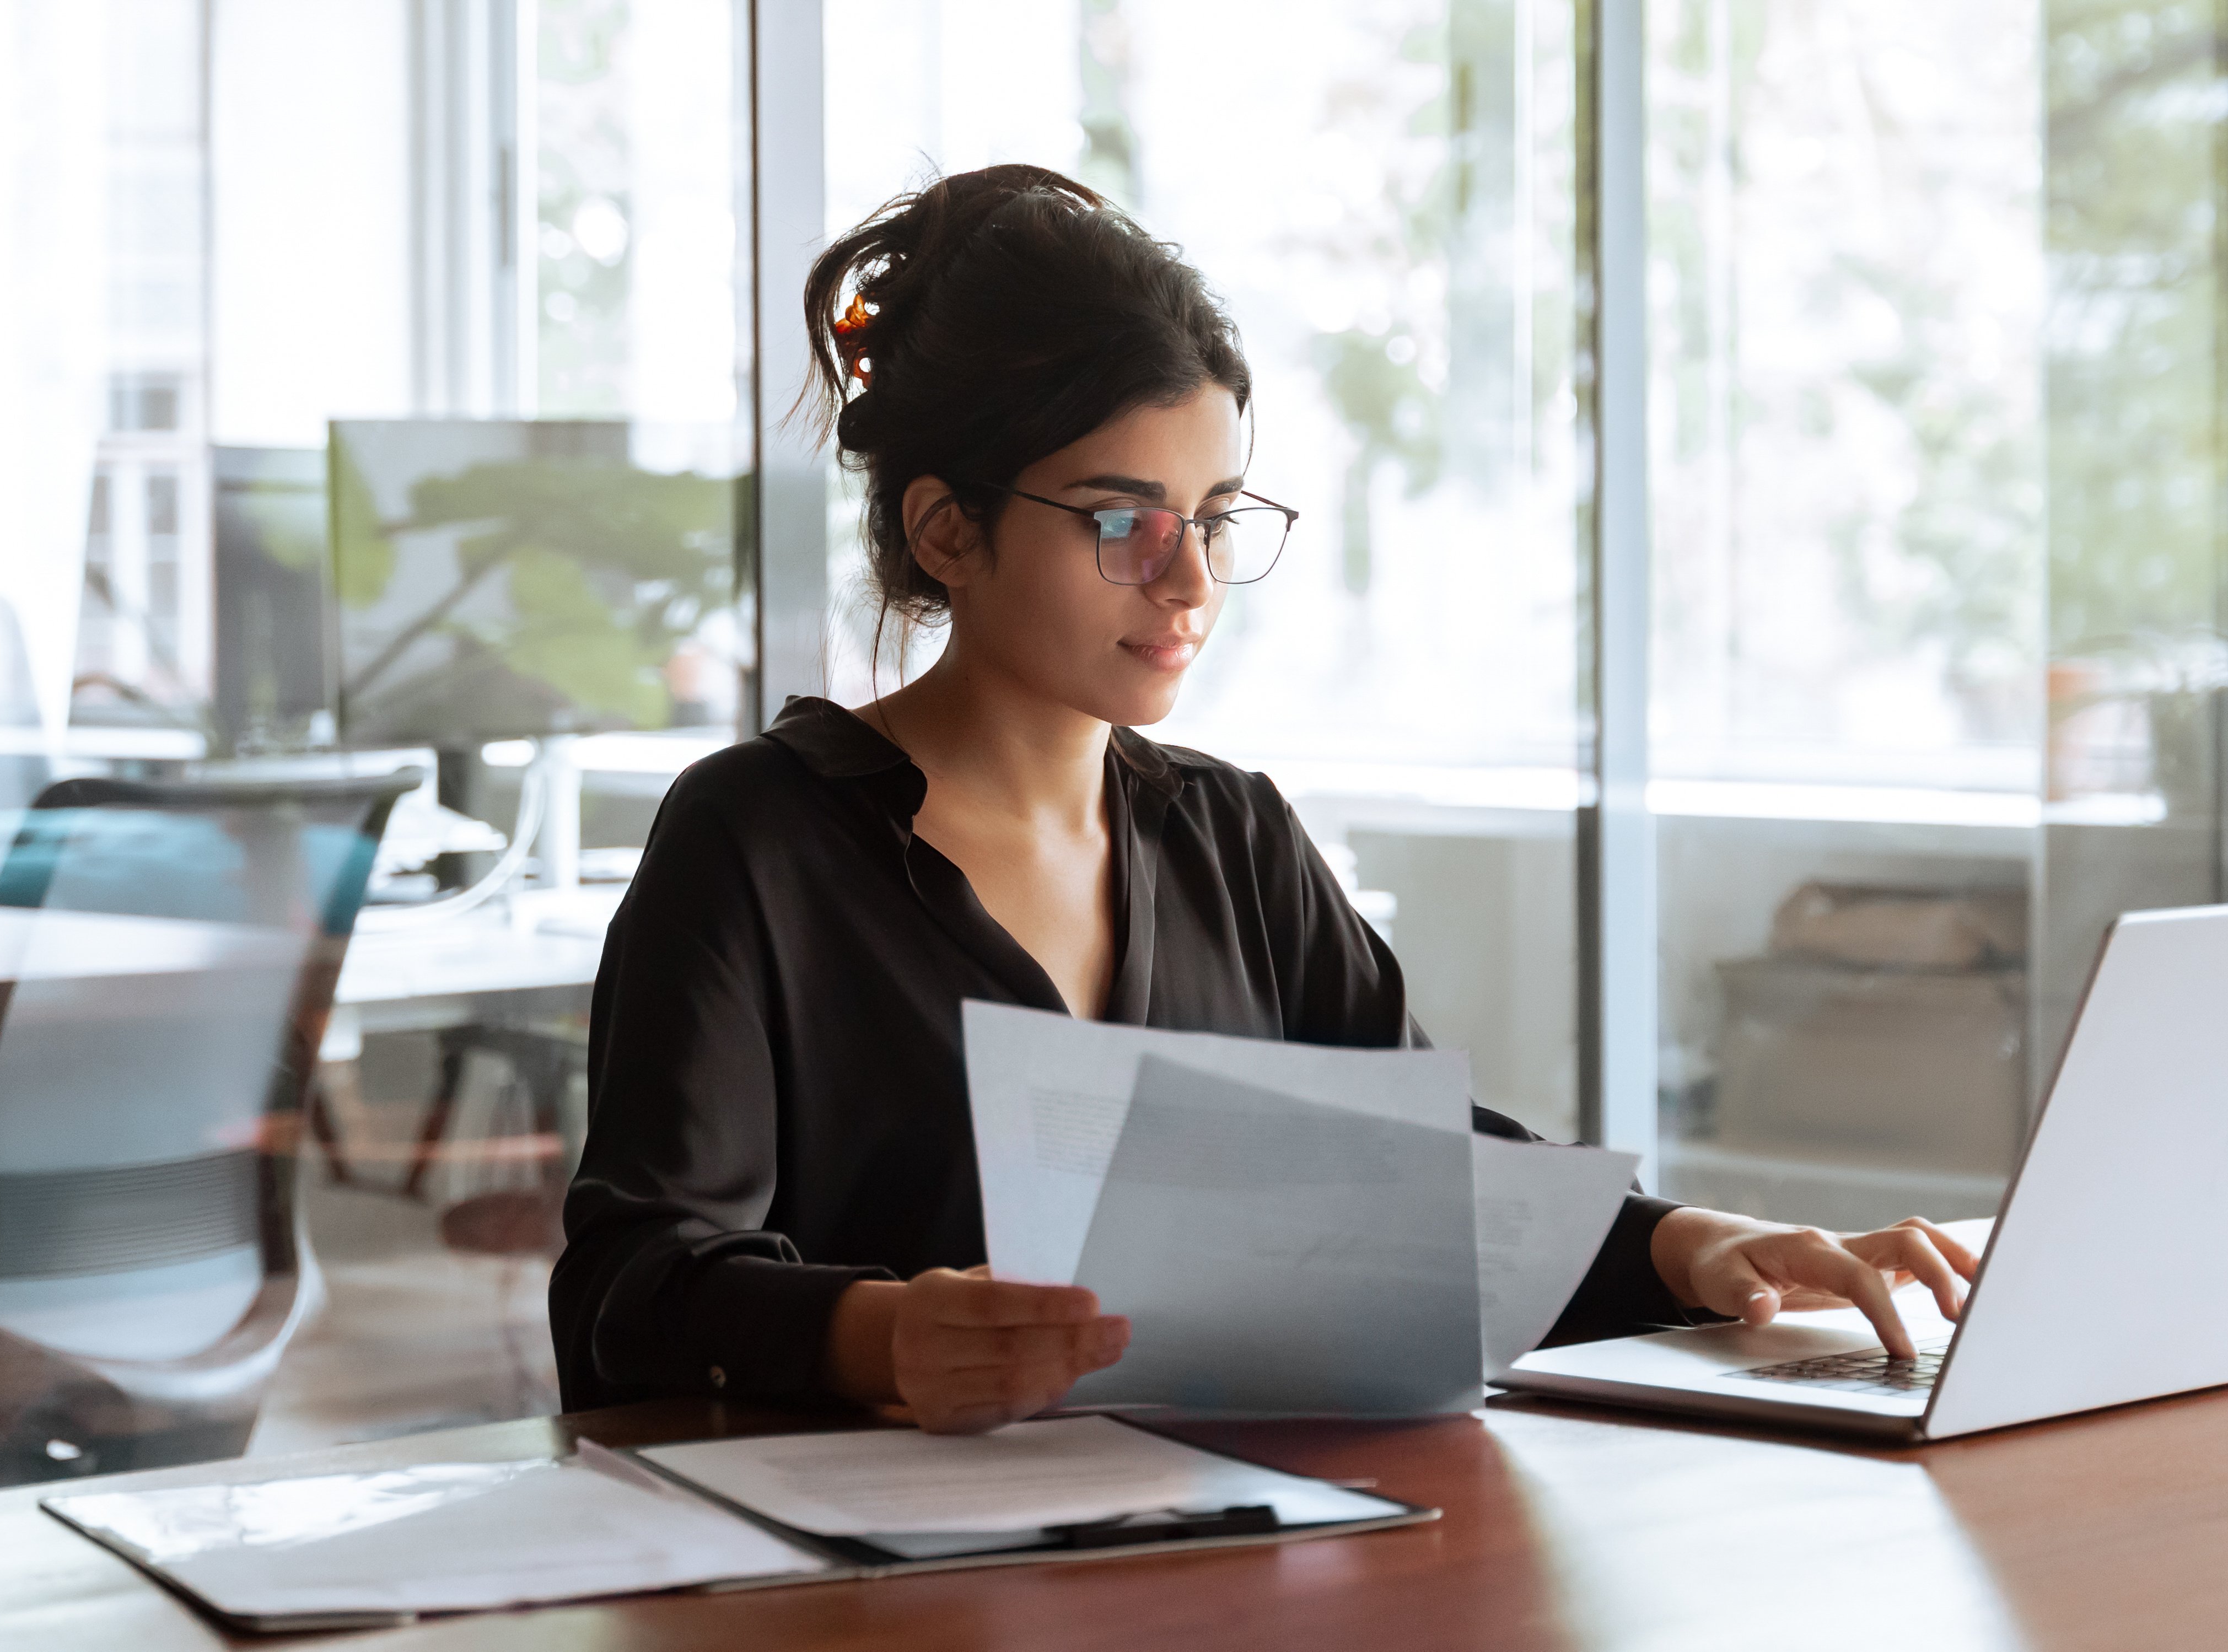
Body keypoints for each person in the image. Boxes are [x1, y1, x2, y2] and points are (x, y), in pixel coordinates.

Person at [550, 164, 1979, 1434]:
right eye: (1123, 521)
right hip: (880, 1583)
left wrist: (1697, 1245)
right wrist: (880, 1338)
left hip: (1238, 1543)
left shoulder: (1232, 837)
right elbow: (632, 1285)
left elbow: (1426, 1183)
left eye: (1218, 518)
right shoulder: (756, 841)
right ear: (946, 530)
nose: (1188, 583)